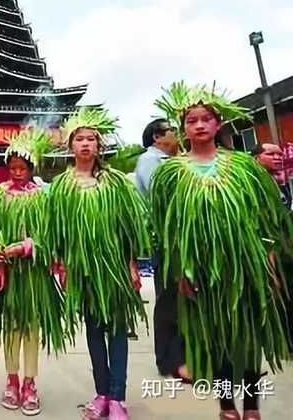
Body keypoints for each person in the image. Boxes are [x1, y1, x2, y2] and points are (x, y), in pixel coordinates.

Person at [150, 81, 292, 420]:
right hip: (198, 271)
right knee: (216, 337)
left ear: (218, 124)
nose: (199, 125)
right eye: (191, 120)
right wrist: (180, 270)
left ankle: (253, 407)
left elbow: (263, 218)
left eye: (206, 119)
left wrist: (268, 260)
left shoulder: (243, 167)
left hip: (244, 265)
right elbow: (166, 229)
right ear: (183, 128)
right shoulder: (170, 174)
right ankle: (227, 407)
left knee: (247, 336)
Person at [46, 108, 149, 420]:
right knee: (93, 331)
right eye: (80, 139)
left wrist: (132, 264)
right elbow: (56, 230)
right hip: (82, 270)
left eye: (92, 139)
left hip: (115, 268)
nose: (86, 144)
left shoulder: (116, 183)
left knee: (117, 331)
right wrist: (61, 265)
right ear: (70, 146)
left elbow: (128, 227)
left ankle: (118, 397)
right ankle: (101, 392)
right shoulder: (62, 187)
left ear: (99, 145)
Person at [0, 128, 66, 416]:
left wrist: (24, 247)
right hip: (9, 275)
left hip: (35, 274)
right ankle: (11, 380)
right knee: (11, 326)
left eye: (22, 168)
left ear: (31, 168)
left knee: (32, 328)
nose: (17, 172)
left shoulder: (43, 196)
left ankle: (30, 382)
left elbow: (50, 236)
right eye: (13, 168)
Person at [133, 119, 189, 381]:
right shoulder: (150, 161)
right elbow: (163, 195)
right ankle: (169, 360)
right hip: (167, 239)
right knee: (169, 298)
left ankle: (184, 356)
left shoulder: (171, 159)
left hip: (183, 237)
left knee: (185, 296)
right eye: (172, 131)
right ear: (157, 137)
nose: (176, 135)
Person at [133, 119, 178, 196]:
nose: (176, 132)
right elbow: (158, 192)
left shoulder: (165, 158)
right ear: (157, 137)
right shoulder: (149, 159)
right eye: (172, 129)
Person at [251, 143, 291, 208]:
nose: (278, 158)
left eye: (280, 154)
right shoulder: (253, 183)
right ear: (256, 158)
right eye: (271, 154)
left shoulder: (280, 179)